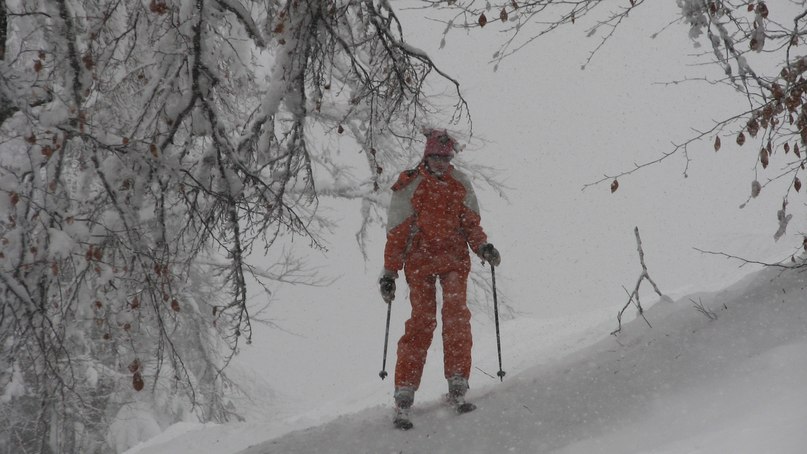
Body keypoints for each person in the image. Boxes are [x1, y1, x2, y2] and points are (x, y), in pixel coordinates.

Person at [379, 129, 501, 430]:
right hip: (420, 262)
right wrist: (390, 272)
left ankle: (457, 386)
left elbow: (471, 223)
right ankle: (404, 395)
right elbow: (397, 231)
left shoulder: (461, 184)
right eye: (436, 157)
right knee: (422, 321)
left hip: (454, 260)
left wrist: (483, 246)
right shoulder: (409, 184)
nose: (442, 163)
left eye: (446, 158)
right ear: (426, 156)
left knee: (456, 316)